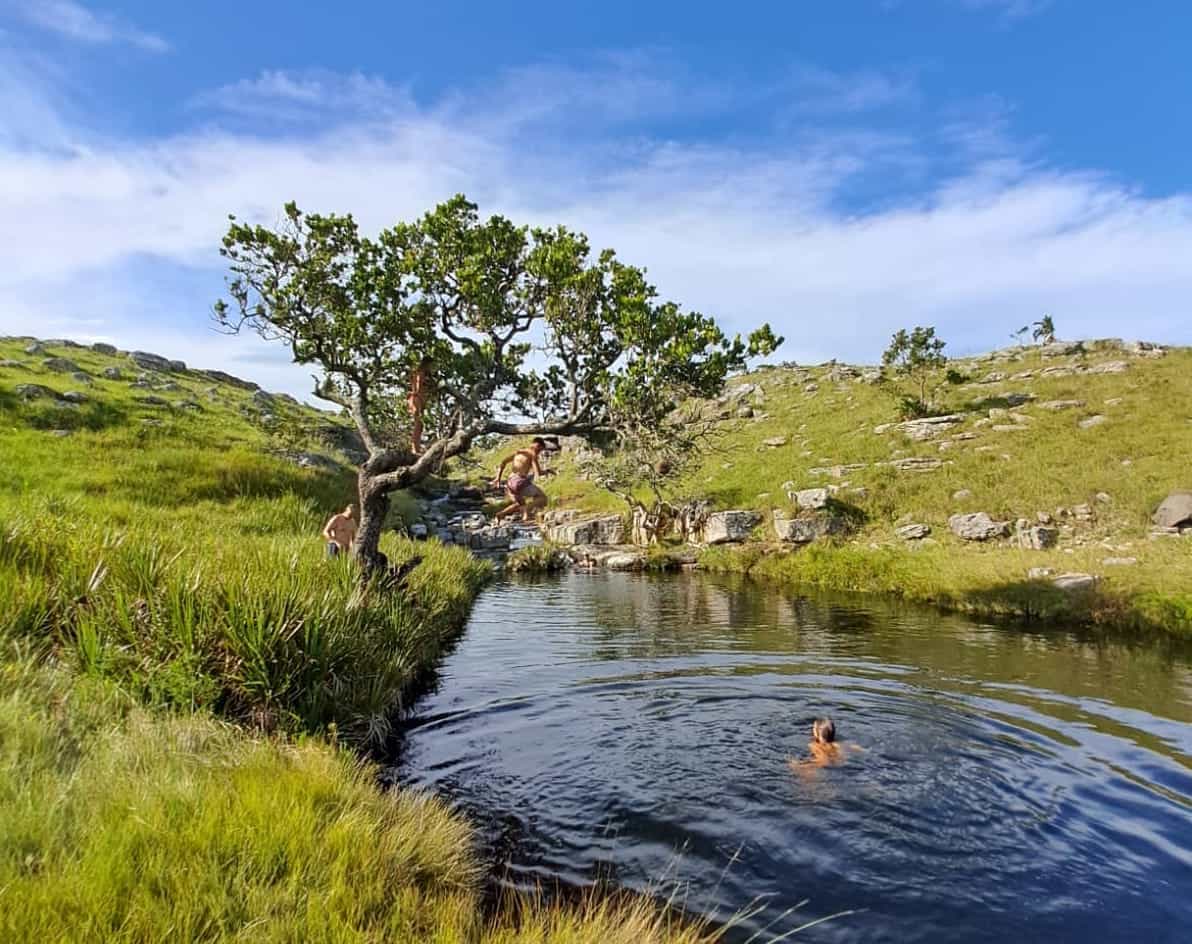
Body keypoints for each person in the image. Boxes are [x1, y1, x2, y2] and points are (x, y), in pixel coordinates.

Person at [491, 437, 558, 522]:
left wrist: (498, 478)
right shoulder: (533, 453)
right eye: (540, 450)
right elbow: (538, 472)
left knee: (519, 504)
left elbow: (503, 462)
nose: (539, 453)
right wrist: (548, 471)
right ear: (537, 446)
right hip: (519, 482)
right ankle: (527, 510)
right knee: (542, 498)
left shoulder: (518, 452)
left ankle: (500, 515)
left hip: (510, 482)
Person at [788, 717, 862, 773]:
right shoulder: (843, 744)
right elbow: (860, 749)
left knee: (794, 766)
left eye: (813, 728)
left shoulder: (814, 745)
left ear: (817, 733)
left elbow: (823, 762)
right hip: (844, 765)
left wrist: (798, 765)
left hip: (826, 766)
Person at [407, 357, 433, 454]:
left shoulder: (421, 374)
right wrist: (421, 401)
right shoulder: (420, 373)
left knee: (420, 424)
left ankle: (416, 448)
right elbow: (417, 390)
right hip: (416, 400)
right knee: (418, 423)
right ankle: (414, 449)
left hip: (419, 400)